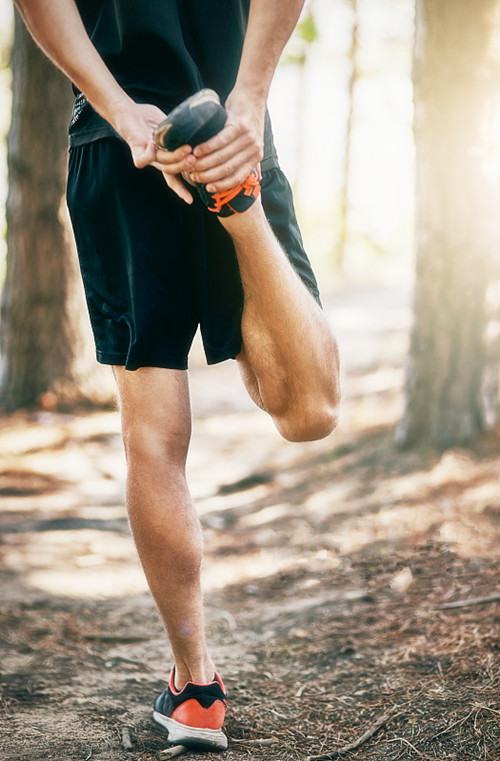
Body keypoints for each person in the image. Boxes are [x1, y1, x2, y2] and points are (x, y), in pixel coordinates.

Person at [14, 0, 341, 751]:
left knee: (155, 439)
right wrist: (247, 99)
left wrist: (121, 110)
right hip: (225, 132)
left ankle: (195, 689)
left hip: (123, 147)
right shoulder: (236, 120)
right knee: (309, 410)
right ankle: (237, 204)